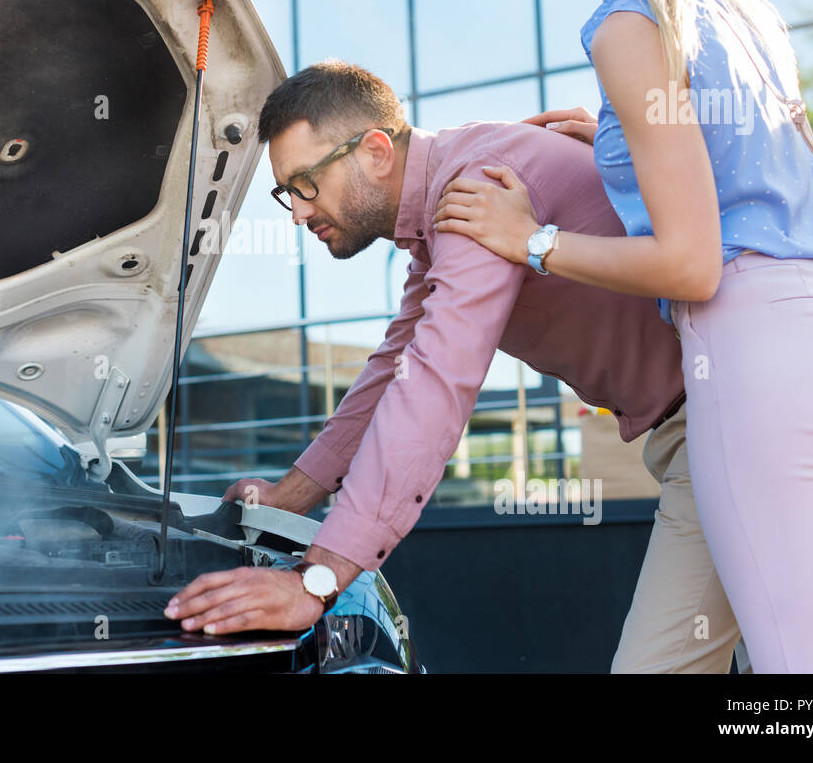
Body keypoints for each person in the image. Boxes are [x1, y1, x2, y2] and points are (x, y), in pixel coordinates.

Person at [431, 0, 813, 672]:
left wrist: (529, 240)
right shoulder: (738, 8)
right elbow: (734, 159)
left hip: (762, 357)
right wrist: (615, 144)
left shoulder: (624, 25)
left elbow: (692, 263)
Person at [167, 60, 748, 672]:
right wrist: (288, 497)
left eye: (306, 183)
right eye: (286, 192)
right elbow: (392, 374)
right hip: (718, 418)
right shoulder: (448, 205)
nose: (297, 213)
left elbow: (437, 385)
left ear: (375, 151)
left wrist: (320, 579)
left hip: (736, 414)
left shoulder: (479, 187)